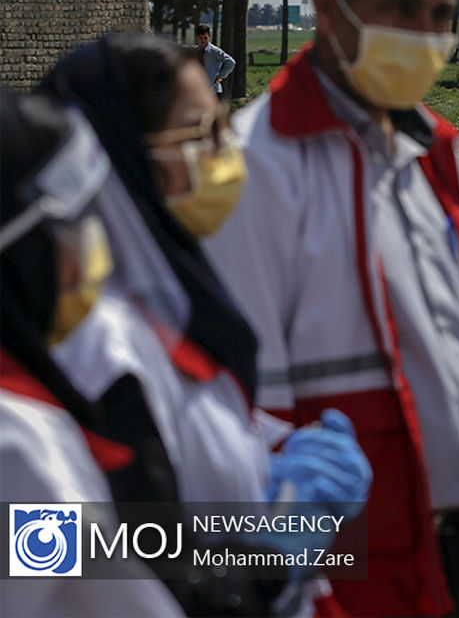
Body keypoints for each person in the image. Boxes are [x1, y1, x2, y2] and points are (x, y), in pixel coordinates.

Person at [204, 0, 459, 617]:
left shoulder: (424, 150)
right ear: (326, 6)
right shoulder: (256, 168)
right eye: (400, 7)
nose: (424, 33)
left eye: (441, 14)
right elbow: (229, 405)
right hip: (359, 572)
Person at [37, 33, 372, 616]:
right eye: (201, 135)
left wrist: (265, 454)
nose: (226, 153)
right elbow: (61, 560)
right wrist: (269, 556)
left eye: (224, 126)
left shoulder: (167, 295)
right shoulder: (82, 351)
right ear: (122, 154)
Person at [0, 87, 185, 617]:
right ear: (25, 251)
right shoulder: (20, 449)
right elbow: (112, 599)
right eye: (74, 221)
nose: (91, 239)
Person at [195, 24, 235, 97]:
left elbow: (231, 62)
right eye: (200, 38)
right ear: (197, 37)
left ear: (209, 37)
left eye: (205, 38)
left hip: (213, 91)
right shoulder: (196, 51)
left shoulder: (215, 51)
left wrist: (220, 76)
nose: (203, 40)